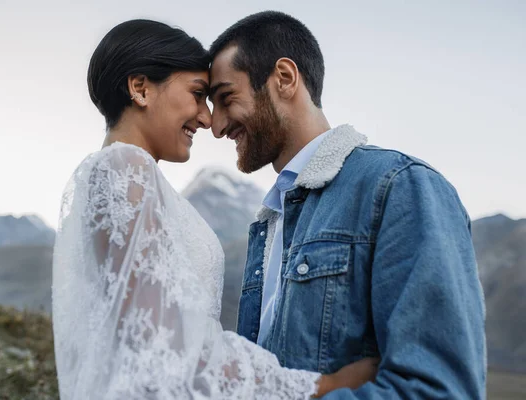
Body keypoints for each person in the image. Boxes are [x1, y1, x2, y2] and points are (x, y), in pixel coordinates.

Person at [51, 19, 377, 400]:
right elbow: (163, 340)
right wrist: (321, 386)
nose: (208, 119)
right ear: (140, 89)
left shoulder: (129, 176)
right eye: (198, 94)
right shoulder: (124, 168)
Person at [208, 10, 486, 399]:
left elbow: (437, 391)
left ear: (284, 78)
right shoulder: (269, 222)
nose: (216, 125)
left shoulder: (400, 186)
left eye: (226, 98)